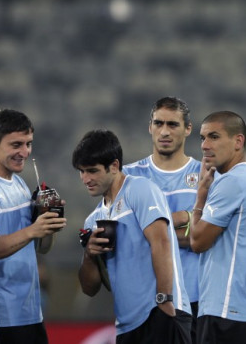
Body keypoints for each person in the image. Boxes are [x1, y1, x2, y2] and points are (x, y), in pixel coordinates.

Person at [74, 129, 192, 343]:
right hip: (126, 326)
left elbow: (162, 242)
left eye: (92, 170)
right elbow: (90, 289)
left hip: (160, 311)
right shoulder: (92, 221)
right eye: (81, 171)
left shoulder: (140, 189)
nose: (86, 179)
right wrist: (89, 255)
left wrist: (164, 300)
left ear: (115, 166)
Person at [190, 111, 246, 344]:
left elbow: (197, 241)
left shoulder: (232, 182)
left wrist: (201, 195)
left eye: (214, 137)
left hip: (225, 308)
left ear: (238, 141)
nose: (205, 145)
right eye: (202, 138)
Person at [0, 109, 67, 344]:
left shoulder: (19, 183)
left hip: (29, 311)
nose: (25, 152)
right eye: (16, 144)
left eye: (28, 144)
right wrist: (32, 230)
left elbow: (42, 247)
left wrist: (48, 222)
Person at [123, 96, 203, 341]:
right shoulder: (128, 176)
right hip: (143, 301)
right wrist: (184, 219)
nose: (164, 131)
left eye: (173, 124)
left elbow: (206, 236)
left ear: (188, 129)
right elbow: (124, 238)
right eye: (158, 124)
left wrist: (151, 232)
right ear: (150, 127)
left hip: (195, 298)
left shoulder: (206, 175)